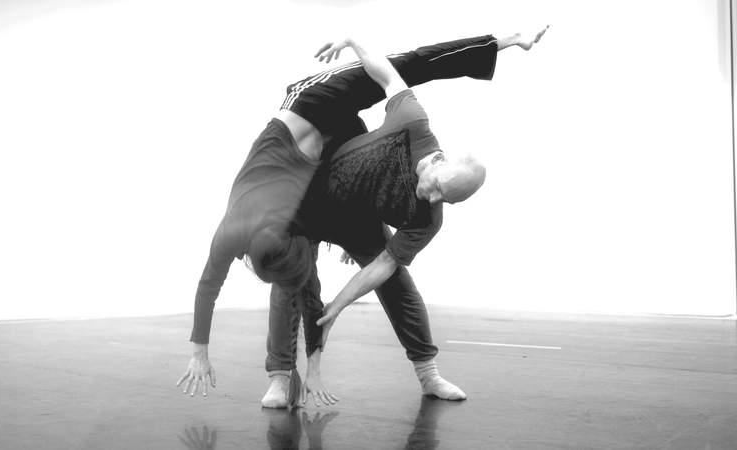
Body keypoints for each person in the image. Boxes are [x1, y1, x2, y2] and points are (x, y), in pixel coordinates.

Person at [176, 28, 549, 401]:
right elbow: (409, 64)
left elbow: (382, 267)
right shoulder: (373, 114)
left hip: (352, 212)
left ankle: (427, 372)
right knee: (290, 274)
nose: (432, 196)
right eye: (436, 186)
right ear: (439, 162)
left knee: (396, 283)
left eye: (443, 199)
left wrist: (337, 306)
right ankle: (279, 373)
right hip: (308, 201)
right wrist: (355, 40)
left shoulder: (427, 211)